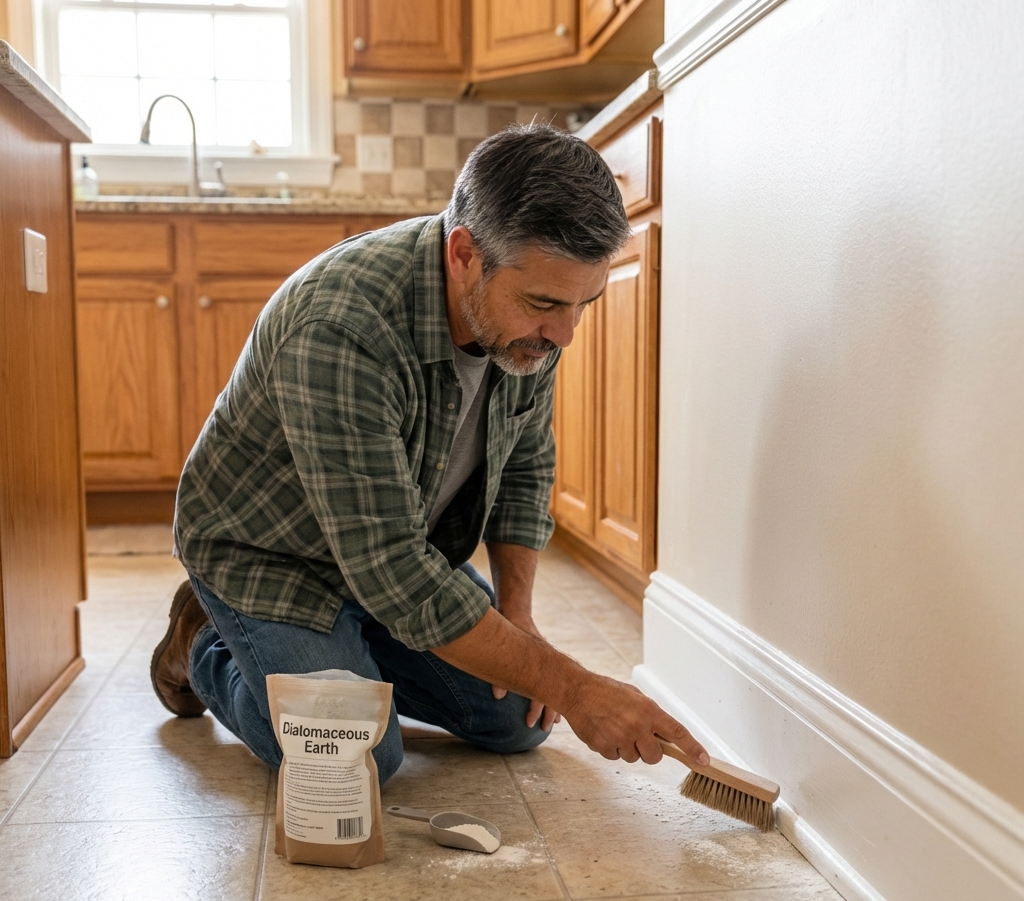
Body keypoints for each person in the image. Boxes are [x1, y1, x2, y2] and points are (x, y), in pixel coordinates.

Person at [150, 122, 709, 782]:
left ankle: (345, 654)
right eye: (545, 305)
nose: (564, 333)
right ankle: (206, 640)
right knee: (357, 760)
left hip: (395, 553)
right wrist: (578, 687)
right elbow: (397, 575)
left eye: (583, 304)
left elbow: (525, 468)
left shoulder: (530, 327)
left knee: (513, 722)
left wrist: (517, 616)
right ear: (464, 253)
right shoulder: (340, 322)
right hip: (272, 555)